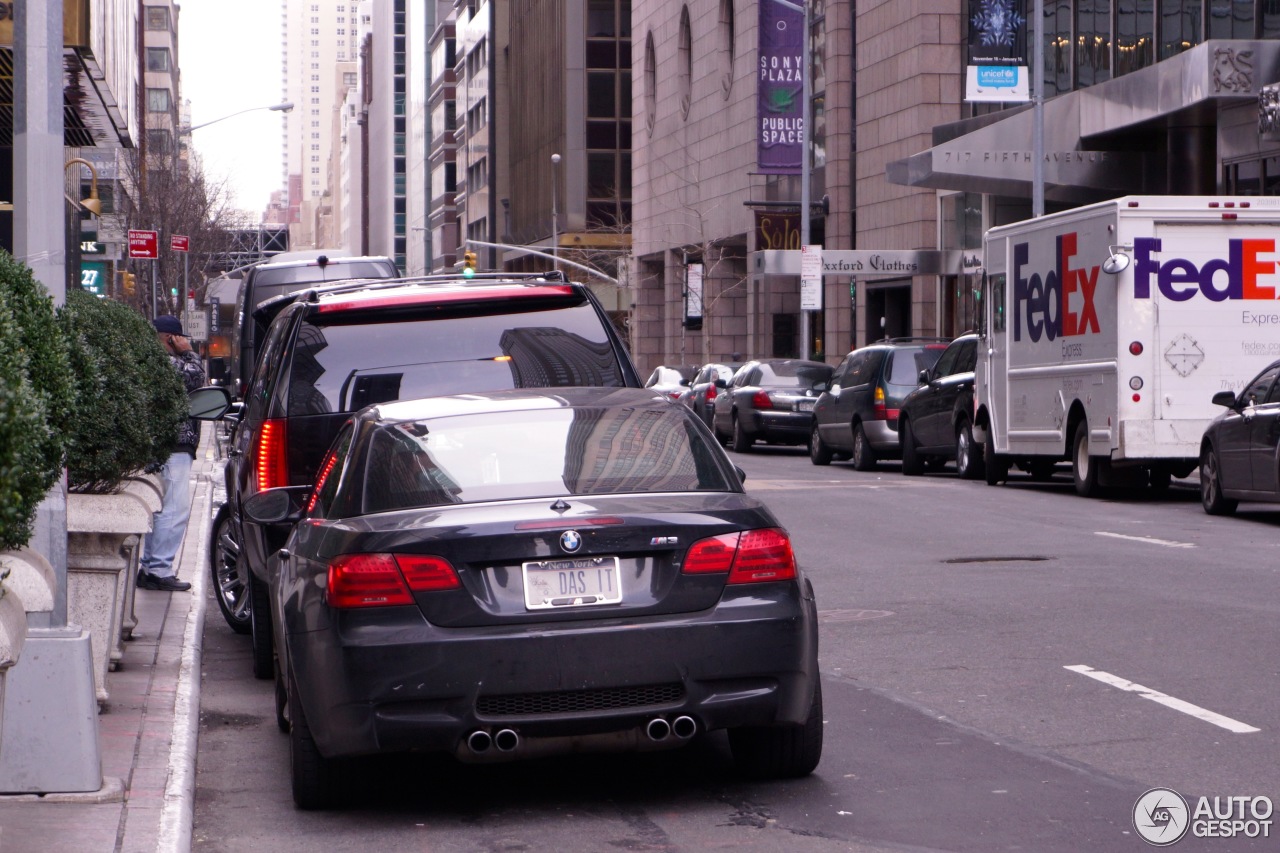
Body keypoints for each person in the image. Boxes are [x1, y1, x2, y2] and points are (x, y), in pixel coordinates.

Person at [138, 315, 206, 592]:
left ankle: (151, 567)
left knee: (164, 509)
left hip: (165, 443)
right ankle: (158, 569)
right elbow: (196, 378)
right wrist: (188, 352)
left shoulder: (149, 359)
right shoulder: (164, 361)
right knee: (173, 510)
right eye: (181, 338)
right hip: (172, 444)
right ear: (171, 338)